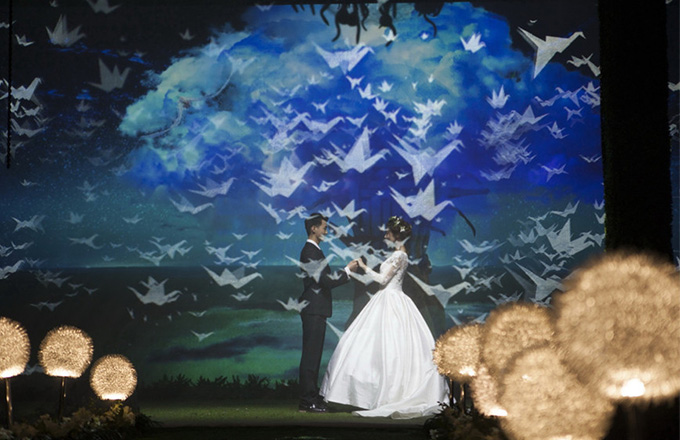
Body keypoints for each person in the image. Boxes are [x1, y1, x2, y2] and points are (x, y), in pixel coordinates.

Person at [320, 216, 449, 419]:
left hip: (391, 299)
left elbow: (382, 279)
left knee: (390, 345)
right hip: (386, 298)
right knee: (368, 342)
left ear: (396, 235)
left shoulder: (400, 255)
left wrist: (364, 268)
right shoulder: (398, 254)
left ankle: (388, 393)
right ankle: (363, 393)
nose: (385, 233)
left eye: (388, 231)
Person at [298, 213, 358, 413]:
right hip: (313, 309)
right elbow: (325, 281)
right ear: (313, 229)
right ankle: (307, 400)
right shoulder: (309, 251)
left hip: (316, 309)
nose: (326, 231)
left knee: (313, 355)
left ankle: (312, 397)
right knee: (311, 356)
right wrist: (347, 270)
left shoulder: (314, 251)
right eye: (324, 227)